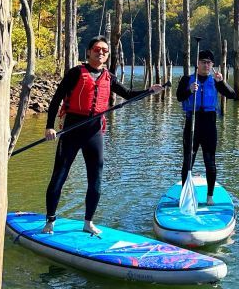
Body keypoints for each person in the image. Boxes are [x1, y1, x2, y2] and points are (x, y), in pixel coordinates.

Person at [41, 36, 163, 235]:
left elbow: (129, 94)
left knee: (95, 178)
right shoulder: (75, 73)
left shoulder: (109, 77)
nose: (101, 53)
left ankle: (88, 222)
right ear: (88, 51)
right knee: (59, 176)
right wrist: (49, 127)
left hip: (94, 132)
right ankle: (50, 221)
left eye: (105, 51)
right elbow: (55, 100)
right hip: (72, 129)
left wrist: (149, 91)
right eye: (97, 49)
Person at [176, 49, 236, 206]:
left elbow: (232, 95)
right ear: (198, 64)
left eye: (209, 63)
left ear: (212, 65)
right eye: (203, 62)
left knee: (210, 161)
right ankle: (185, 193)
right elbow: (178, 97)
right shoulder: (187, 79)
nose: (206, 65)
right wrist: (189, 90)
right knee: (188, 160)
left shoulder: (215, 81)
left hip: (209, 124)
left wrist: (221, 82)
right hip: (192, 123)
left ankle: (210, 197)